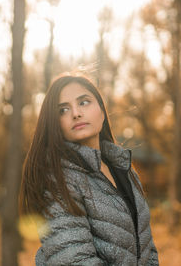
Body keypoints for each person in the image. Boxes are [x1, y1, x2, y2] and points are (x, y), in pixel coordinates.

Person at [19, 72, 159, 265]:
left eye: (84, 102)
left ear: (102, 111)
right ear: (55, 124)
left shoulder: (123, 167)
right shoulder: (58, 179)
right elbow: (73, 260)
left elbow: (147, 247)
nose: (76, 113)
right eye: (63, 110)